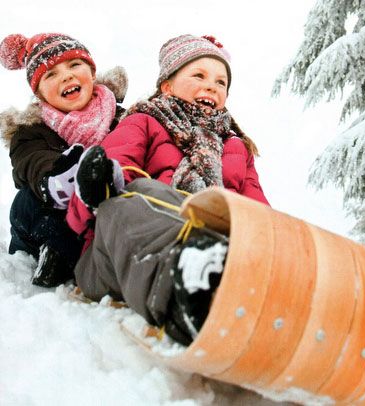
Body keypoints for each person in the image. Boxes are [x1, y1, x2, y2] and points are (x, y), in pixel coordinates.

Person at [69, 34, 269, 345]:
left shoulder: (235, 147)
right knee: (140, 192)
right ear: (167, 85)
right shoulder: (144, 121)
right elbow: (114, 167)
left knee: (243, 221)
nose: (211, 86)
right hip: (113, 256)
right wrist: (99, 184)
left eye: (221, 82)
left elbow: (257, 207)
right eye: (199, 75)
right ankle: (186, 292)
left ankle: (231, 279)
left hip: (217, 249)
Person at [0, 33, 128, 287]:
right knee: (27, 200)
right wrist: (58, 176)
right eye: (51, 74)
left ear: (92, 73)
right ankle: (54, 253)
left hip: (102, 213)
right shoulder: (31, 130)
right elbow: (32, 161)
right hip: (50, 215)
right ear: (40, 94)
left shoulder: (123, 120)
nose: (66, 76)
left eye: (74, 65)